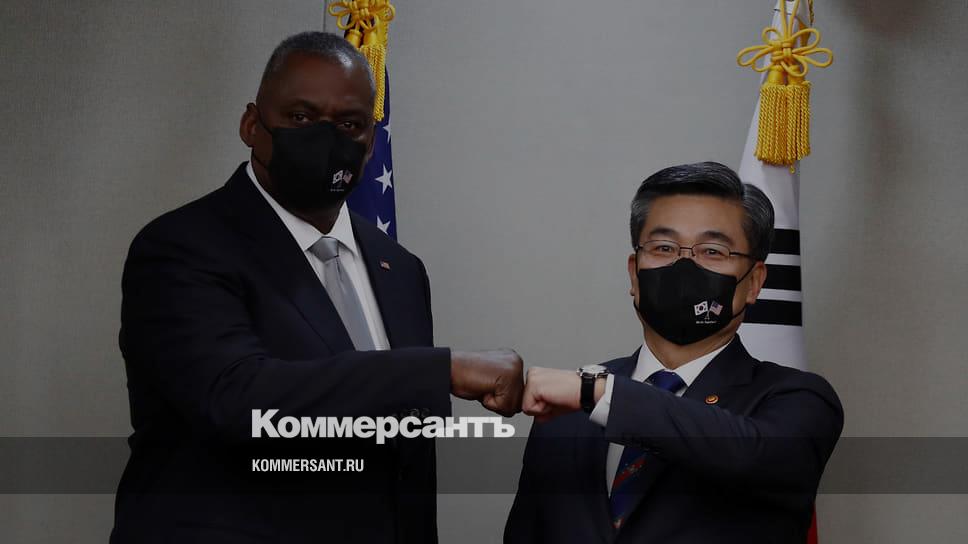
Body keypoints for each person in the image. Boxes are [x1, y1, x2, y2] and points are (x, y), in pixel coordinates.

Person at [111, 32, 523, 544]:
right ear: (251, 125)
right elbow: (238, 401)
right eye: (301, 117)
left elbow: (406, 454)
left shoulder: (400, 268)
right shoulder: (182, 246)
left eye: (349, 124)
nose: (326, 138)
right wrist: (443, 369)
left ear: (370, 143)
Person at [505, 162, 843, 543]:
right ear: (634, 273)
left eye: (713, 251)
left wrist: (597, 393)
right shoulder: (563, 415)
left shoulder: (799, 399)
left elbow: (752, 455)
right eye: (663, 248)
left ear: (754, 283)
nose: (684, 266)